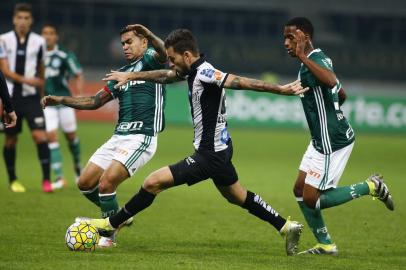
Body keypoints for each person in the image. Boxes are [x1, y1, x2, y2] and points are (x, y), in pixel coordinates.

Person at [87, 28, 307, 255]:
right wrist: (131, 76)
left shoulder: (205, 73)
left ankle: (110, 224)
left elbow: (240, 81)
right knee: (238, 196)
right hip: (221, 151)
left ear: (187, 56)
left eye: (172, 59)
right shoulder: (191, 71)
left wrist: (280, 89)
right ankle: (286, 226)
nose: (170, 63)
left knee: (152, 182)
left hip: (208, 155)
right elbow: (164, 76)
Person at [42, 24, 167, 247]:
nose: (125, 47)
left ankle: (109, 236)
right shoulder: (120, 75)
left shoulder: (151, 59)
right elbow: (93, 102)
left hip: (142, 137)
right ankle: (119, 215)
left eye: (130, 42)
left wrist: (148, 32)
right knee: (85, 183)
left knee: (106, 183)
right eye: (123, 44)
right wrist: (60, 99)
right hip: (118, 136)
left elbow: (165, 53)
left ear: (144, 43)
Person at [283, 17, 394, 255]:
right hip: (319, 138)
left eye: (290, 37)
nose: (285, 43)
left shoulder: (313, 59)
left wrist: (302, 56)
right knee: (299, 190)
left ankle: (370, 187)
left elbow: (332, 81)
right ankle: (325, 244)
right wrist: (331, 110)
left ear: (305, 38)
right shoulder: (316, 61)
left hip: (332, 141)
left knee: (312, 198)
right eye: (285, 38)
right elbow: (340, 93)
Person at [0, 3, 51, 193]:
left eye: (26, 18)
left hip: (31, 99)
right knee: (11, 140)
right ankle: (13, 180)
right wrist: (26, 79)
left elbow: (41, 70)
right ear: (14, 19)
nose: (23, 21)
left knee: (40, 137)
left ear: (31, 21)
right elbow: (3, 70)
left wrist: (42, 95)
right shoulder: (3, 40)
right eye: (19, 18)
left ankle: (46, 180)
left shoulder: (39, 42)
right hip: (10, 98)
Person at [41, 24, 84, 190]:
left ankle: (78, 169)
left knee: (71, 138)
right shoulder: (37, 55)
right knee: (51, 137)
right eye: (44, 33)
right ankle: (59, 177)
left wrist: (79, 96)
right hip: (48, 105)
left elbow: (78, 73)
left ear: (56, 37)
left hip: (64, 102)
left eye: (51, 33)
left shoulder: (65, 55)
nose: (47, 36)